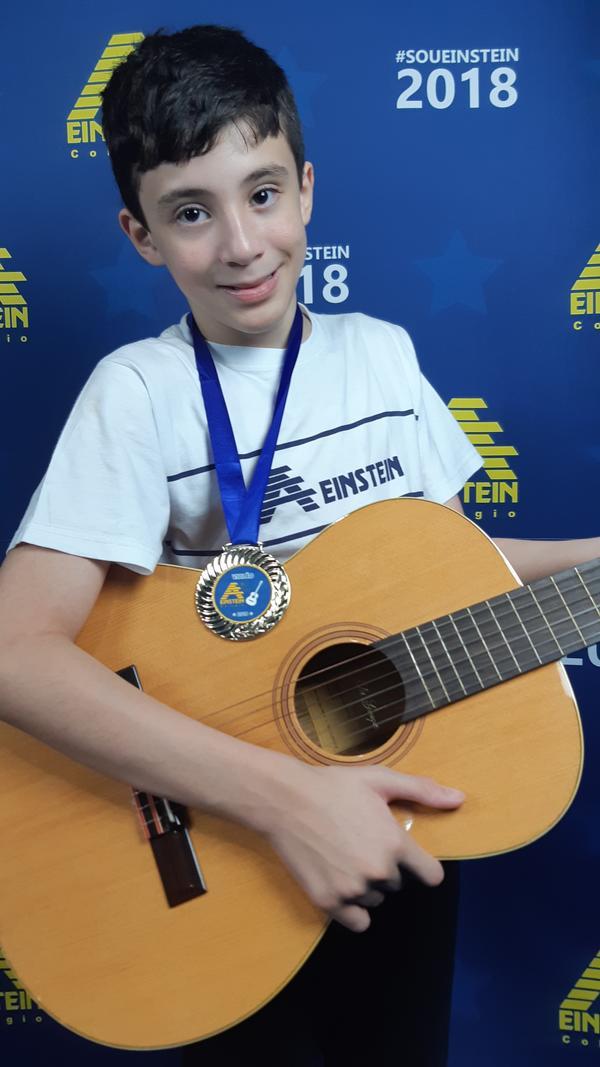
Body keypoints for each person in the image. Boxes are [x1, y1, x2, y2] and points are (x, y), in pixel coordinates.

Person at [0, 24, 598, 1067]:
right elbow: (14, 653)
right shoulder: (138, 393)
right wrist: (282, 796)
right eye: (192, 211)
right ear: (142, 234)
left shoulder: (383, 357)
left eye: (264, 193)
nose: (241, 243)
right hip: (218, 846)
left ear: (307, 189)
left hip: (399, 823)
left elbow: (453, 568)